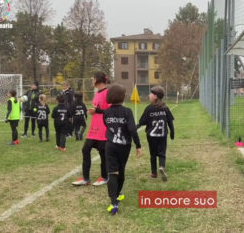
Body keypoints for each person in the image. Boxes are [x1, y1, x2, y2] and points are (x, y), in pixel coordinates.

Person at [104, 84, 142, 215]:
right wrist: (138, 145)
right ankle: (116, 198)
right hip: (124, 146)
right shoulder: (127, 111)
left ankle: (114, 199)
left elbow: (107, 124)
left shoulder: (107, 112)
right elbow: (132, 129)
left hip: (110, 146)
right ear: (122, 97)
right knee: (120, 170)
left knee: (112, 172)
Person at [72, 71, 110, 186]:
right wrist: (92, 112)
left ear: (98, 79)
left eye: (93, 78)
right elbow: (97, 109)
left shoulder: (108, 93)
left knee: (103, 154)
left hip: (103, 130)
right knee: (85, 150)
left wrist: (97, 111)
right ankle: (86, 178)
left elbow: (111, 111)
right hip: (93, 129)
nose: (92, 81)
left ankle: (104, 177)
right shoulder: (97, 93)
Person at [138, 86, 174, 181]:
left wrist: (135, 127)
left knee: (153, 154)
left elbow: (142, 122)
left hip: (151, 136)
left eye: (151, 93)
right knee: (162, 153)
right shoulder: (165, 108)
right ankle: (162, 166)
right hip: (162, 135)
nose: (149, 95)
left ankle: (154, 173)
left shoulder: (149, 109)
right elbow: (170, 122)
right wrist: (172, 133)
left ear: (155, 96)